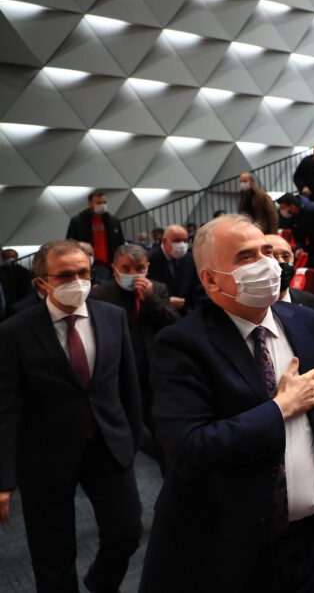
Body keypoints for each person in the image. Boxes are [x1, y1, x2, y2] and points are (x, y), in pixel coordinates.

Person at [139, 215, 314, 592]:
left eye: (267, 251)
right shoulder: (182, 344)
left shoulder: (308, 322)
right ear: (210, 280)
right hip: (236, 549)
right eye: (246, 256)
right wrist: (279, 409)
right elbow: (188, 449)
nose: (267, 263)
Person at [0, 239, 143, 593]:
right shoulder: (14, 331)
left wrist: (133, 439)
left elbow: (129, 384)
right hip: (45, 454)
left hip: (108, 446)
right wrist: (4, 478)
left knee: (126, 532)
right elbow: (6, 408)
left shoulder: (112, 316)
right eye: (65, 275)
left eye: (83, 272)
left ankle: (100, 582)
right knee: (53, 554)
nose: (77, 281)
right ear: (41, 283)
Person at [91, 244, 179, 470]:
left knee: (159, 427)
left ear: (147, 267)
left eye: (139, 268)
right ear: (114, 269)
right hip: (118, 370)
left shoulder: (158, 288)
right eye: (126, 269)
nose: (134, 274)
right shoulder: (100, 294)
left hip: (152, 370)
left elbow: (173, 323)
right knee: (124, 427)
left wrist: (151, 299)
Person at [66, 190, 125, 283]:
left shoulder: (113, 221)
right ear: (90, 203)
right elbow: (70, 244)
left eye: (104, 202)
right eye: (98, 203)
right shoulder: (78, 221)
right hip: (87, 264)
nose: (102, 205)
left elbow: (120, 242)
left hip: (109, 265)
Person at [147, 223, 202, 314]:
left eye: (185, 241)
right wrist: (165, 301)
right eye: (177, 241)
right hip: (160, 314)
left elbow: (195, 288)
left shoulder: (189, 259)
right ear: (164, 241)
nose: (182, 244)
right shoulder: (150, 259)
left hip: (187, 313)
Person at [266, 234, 314, 312]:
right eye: (272, 257)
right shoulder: (250, 305)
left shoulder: (312, 302)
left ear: (293, 259)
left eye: (285, 256)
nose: (281, 262)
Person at [0, 248, 33, 314]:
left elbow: (28, 289)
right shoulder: (1, 271)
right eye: (7, 257)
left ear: (16, 257)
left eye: (13, 257)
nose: (11, 259)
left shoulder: (24, 271)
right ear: (3, 258)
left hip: (21, 303)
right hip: (5, 304)